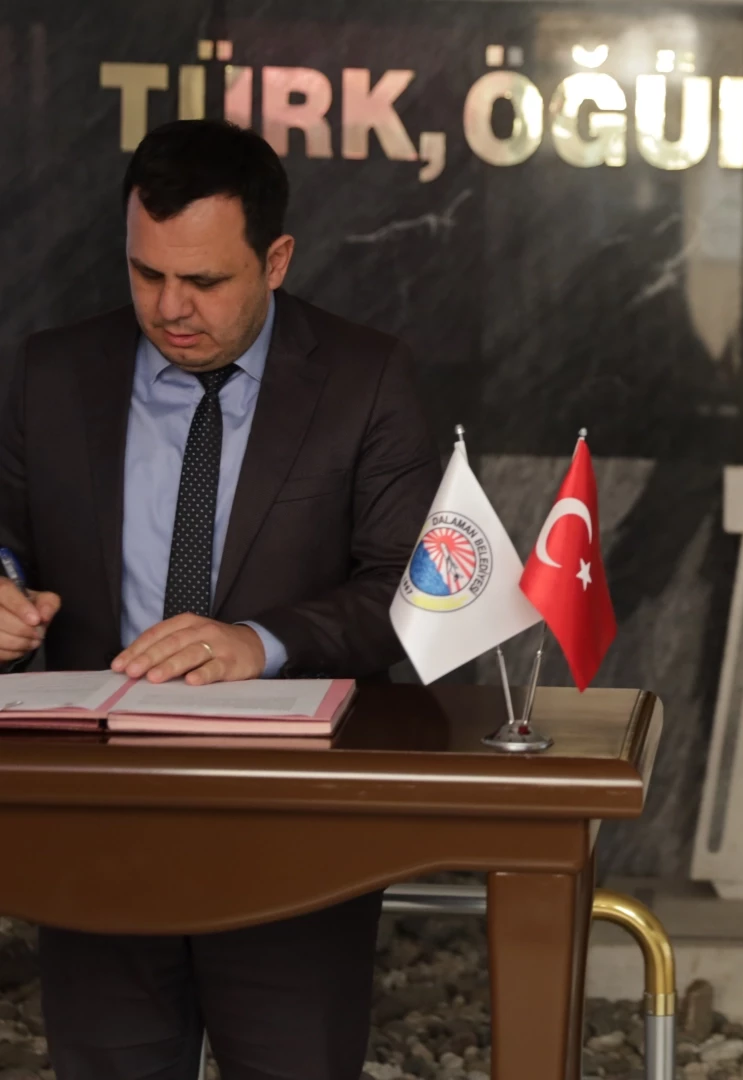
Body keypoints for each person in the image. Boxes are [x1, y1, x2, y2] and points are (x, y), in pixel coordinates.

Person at [0, 119, 439, 1079]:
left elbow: (410, 589)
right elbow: (9, 537)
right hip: (100, 826)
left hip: (293, 828)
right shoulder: (53, 371)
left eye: (204, 281)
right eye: (146, 273)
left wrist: (261, 641)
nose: (170, 307)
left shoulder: (364, 379)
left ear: (275, 260)